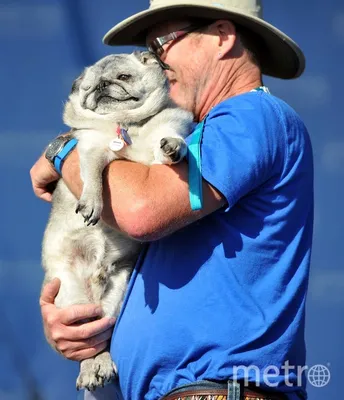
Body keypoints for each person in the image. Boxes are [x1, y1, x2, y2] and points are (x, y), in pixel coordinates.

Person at [30, 0, 314, 399]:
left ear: (221, 37)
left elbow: (142, 210)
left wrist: (64, 152)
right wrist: (74, 325)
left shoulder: (252, 114)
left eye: (162, 43)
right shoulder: (196, 133)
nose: (154, 61)